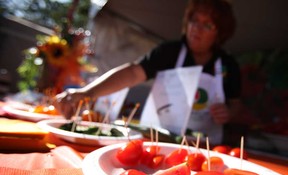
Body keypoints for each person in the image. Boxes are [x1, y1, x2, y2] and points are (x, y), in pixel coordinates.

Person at [55, 0, 241, 144]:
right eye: (194, 21)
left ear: (220, 33)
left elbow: (236, 105)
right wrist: (87, 92)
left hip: (204, 145)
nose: (196, 29)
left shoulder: (228, 65)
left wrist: (229, 113)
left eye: (207, 25)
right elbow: (133, 73)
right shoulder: (169, 51)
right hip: (160, 138)